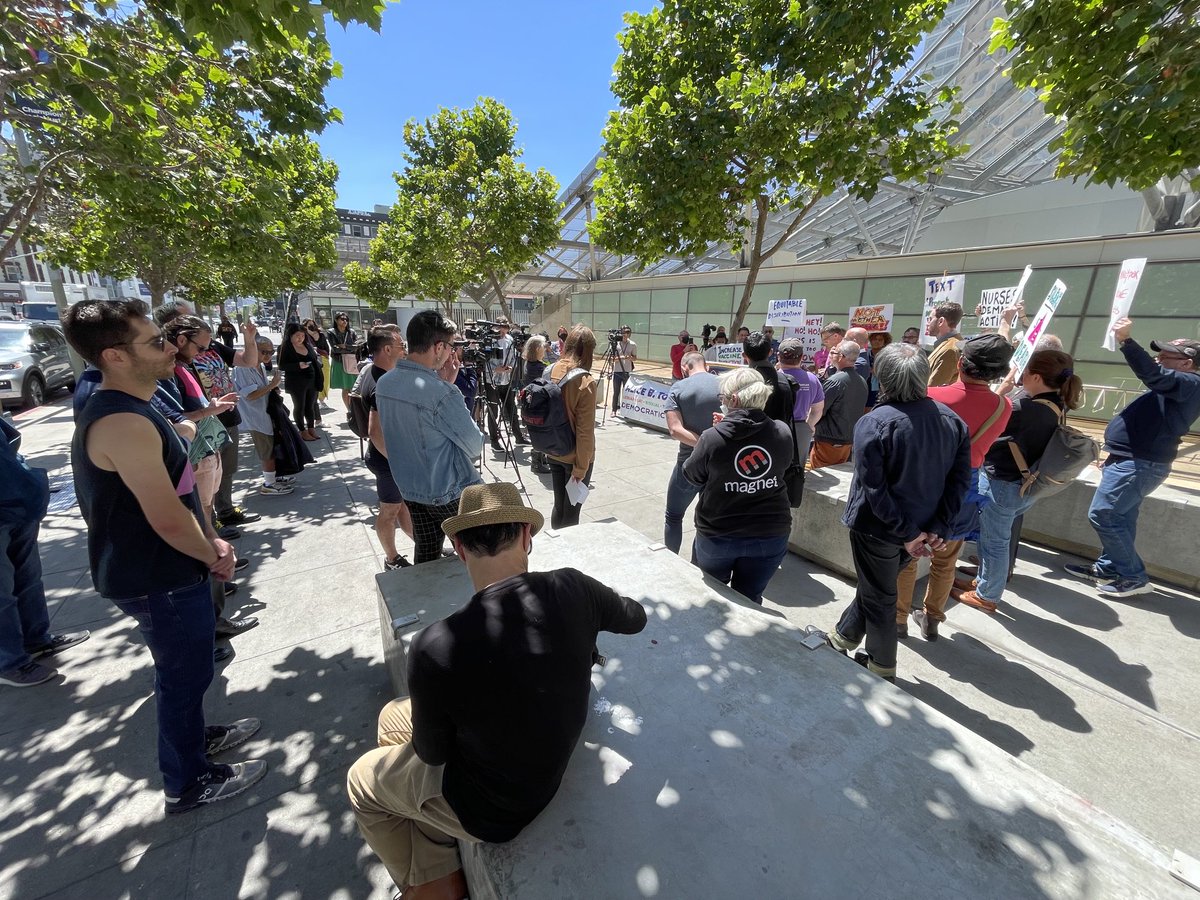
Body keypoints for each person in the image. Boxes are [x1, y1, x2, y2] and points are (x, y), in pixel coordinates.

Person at [346, 483, 647, 899]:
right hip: (542, 768)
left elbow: (434, 754)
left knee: (361, 781)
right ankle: (433, 845)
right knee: (392, 716)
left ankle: (434, 888)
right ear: (527, 535)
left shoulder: (436, 645)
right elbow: (636, 618)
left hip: (495, 810)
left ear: (459, 546)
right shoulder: (574, 587)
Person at [63, 300, 266, 813]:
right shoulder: (120, 421)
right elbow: (165, 517)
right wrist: (213, 552)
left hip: (169, 566)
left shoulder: (138, 407)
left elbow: (173, 488)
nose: (170, 347)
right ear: (114, 356)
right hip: (158, 573)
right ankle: (189, 780)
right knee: (183, 675)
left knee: (190, 670)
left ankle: (196, 740)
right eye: (155, 342)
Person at [826, 344, 971, 682]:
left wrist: (909, 533)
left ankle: (881, 666)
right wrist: (936, 527)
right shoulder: (952, 421)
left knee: (879, 595)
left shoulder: (874, 422)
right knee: (877, 587)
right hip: (921, 527)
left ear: (880, 376)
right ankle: (842, 636)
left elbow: (874, 489)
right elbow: (959, 482)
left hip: (880, 528)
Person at [1065, 319, 1200, 598]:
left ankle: (1134, 576)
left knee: (1104, 514)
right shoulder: (1179, 385)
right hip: (1132, 460)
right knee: (1122, 517)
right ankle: (1109, 567)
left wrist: (1126, 341)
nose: (1157, 359)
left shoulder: (1190, 382)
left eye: (1165, 356)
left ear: (1187, 363)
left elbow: (1154, 375)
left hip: (1141, 463)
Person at [894, 335, 1013, 639]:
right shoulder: (1003, 406)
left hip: (925, 484)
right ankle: (933, 617)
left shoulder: (930, 395)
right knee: (946, 560)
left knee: (908, 556)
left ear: (960, 363)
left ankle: (898, 617)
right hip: (964, 488)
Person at [956, 349, 1084, 613]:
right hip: (1025, 484)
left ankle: (987, 595)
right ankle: (984, 580)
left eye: (1024, 370)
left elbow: (991, 421)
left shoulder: (1024, 408)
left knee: (994, 541)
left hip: (1005, 483)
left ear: (1035, 376)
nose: (1020, 374)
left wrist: (1005, 388)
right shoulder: (1054, 402)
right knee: (996, 538)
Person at [377, 311, 484, 564]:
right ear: (438, 347)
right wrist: (448, 388)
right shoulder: (442, 393)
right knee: (477, 554)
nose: (451, 353)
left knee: (426, 555)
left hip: (410, 487)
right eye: (451, 346)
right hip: (448, 490)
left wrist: (443, 384)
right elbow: (474, 445)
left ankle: (426, 598)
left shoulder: (386, 383)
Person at [683, 367, 794, 604]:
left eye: (722, 398)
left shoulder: (712, 438)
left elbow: (692, 474)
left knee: (712, 598)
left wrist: (719, 431)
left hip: (719, 534)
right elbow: (781, 467)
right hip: (770, 533)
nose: (721, 402)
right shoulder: (782, 431)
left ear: (733, 400)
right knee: (750, 600)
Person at [1, 416, 90, 687]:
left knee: (27, 577)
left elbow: (10, 438)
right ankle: (10, 662)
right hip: (10, 501)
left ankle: (36, 639)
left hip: (14, 502)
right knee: (2, 592)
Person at [354, 327, 415, 570]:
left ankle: (421, 544)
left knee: (402, 507)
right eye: (401, 346)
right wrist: (397, 461)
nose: (405, 351)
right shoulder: (383, 384)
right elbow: (374, 431)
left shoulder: (373, 372)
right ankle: (391, 559)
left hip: (389, 459)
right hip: (387, 461)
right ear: (388, 349)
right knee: (389, 511)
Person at [663, 351, 722, 555]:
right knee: (705, 522)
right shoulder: (724, 385)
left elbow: (675, 429)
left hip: (688, 465)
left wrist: (701, 444)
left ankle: (671, 561)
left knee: (673, 515)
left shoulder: (679, 387)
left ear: (684, 368)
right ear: (705, 366)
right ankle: (698, 563)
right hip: (718, 465)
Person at [545, 326, 598, 530]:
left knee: (559, 506)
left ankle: (556, 549)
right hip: (575, 455)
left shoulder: (550, 369)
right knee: (572, 514)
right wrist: (582, 468)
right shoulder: (584, 380)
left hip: (553, 449)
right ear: (588, 351)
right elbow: (585, 431)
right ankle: (567, 556)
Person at [232, 336, 294, 496]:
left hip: (265, 412)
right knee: (266, 450)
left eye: (271, 352)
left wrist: (271, 388)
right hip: (255, 416)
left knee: (272, 445)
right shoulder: (244, 368)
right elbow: (250, 395)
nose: (267, 356)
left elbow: (260, 389)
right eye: (264, 352)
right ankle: (269, 483)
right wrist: (272, 385)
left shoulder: (258, 365)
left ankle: (274, 477)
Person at [808, 341, 868, 469]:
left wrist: (808, 427)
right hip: (847, 440)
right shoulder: (861, 381)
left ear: (840, 357)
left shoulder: (836, 381)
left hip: (829, 440)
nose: (830, 355)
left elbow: (819, 410)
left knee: (819, 483)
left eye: (833, 353)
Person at [776, 338, 825, 458]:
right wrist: (808, 426)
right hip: (800, 427)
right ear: (802, 357)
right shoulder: (812, 379)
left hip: (776, 427)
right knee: (797, 469)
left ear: (778, 356)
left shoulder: (771, 378)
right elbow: (818, 409)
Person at [484, 315, 526, 454]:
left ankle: (518, 437)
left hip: (506, 379)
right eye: (499, 328)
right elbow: (483, 361)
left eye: (505, 328)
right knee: (493, 411)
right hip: (492, 381)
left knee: (511, 408)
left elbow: (514, 358)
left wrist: (511, 367)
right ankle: (494, 441)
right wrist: (495, 369)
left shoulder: (510, 340)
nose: (502, 332)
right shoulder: (489, 340)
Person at [743, 331, 797, 424]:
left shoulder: (739, 383)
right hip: (779, 436)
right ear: (770, 352)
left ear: (744, 355)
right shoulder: (787, 383)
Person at [279, 323, 320, 441]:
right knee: (299, 406)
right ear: (290, 335)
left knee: (310, 406)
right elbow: (281, 365)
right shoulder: (285, 347)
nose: (300, 338)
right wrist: (297, 366)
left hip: (311, 380)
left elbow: (314, 359)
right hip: (296, 382)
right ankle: (302, 430)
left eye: (302, 335)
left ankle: (311, 428)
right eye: (297, 335)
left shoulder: (308, 345)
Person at [522, 335, 552, 475]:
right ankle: (537, 462)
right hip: (539, 404)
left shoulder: (529, 363)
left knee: (538, 432)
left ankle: (541, 459)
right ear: (538, 349)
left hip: (531, 403)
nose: (545, 349)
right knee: (540, 433)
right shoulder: (539, 367)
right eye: (543, 346)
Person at [925, 301, 964, 387]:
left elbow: (933, 387)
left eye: (930, 319)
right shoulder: (953, 344)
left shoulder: (949, 350)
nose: (927, 323)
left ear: (941, 321)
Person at [326, 312, 359, 410]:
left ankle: (355, 409)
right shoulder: (331, 332)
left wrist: (345, 346)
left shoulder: (352, 332)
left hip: (351, 361)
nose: (345, 321)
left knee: (354, 387)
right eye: (342, 319)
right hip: (339, 361)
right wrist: (350, 348)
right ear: (336, 320)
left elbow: (357, 347)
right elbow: (335, 349)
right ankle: (349, 410)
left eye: (346, 319)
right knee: (345, 387)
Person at [305, 319, 332, 415]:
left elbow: (326, 347)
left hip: (323, 359)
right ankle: (318, 400)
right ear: (304, 326)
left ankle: (322, 398)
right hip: (312, 361)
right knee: (316, 380)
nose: (311, 326)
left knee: (326, 379)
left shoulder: (320, 334)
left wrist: (325, 354)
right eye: (309, 325)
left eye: (313, 324)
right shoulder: (304, 336)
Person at [611, 325, 637, 415]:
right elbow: (612, 359)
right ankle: (614, 410)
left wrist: (630, 358)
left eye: (628, 332)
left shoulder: (633, 344)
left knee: (627, 392)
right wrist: (623, 357)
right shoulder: (616, 344)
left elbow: (634, 358)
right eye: (624, 332)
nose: (626, 334)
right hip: (617, 371)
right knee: (616, 392)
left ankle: (626, 411)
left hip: (627, 371)